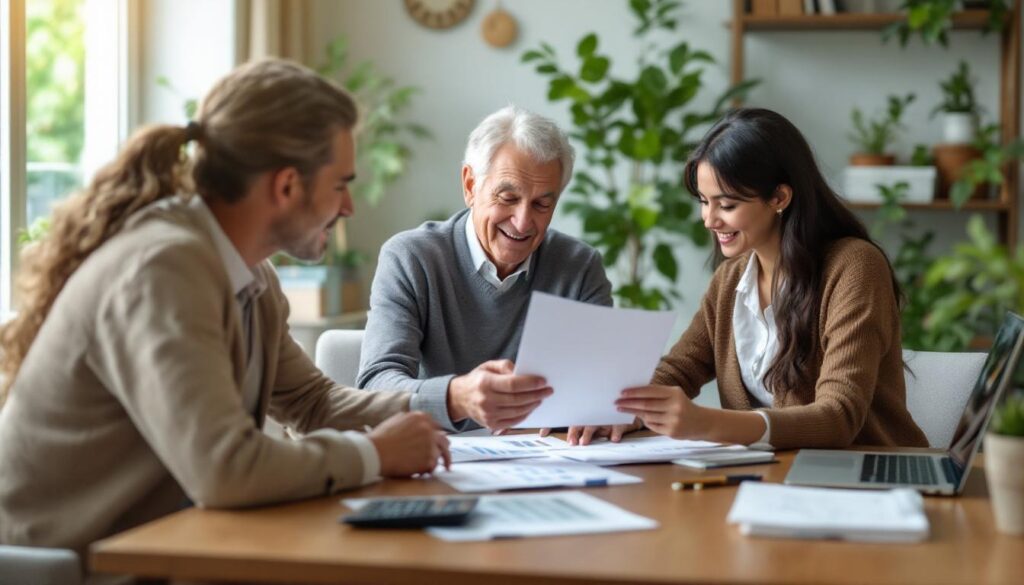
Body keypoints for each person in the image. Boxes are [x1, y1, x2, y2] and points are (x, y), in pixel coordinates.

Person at [0, 59, 450, 555]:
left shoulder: (250, 273)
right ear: (285, 186)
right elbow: (224, 470)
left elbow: (311, 403)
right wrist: (374, 453)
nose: (349, 208)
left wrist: (440, 406)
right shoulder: (163, 269)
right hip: (69, 565)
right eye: (341, 184)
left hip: (158, 546)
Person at [574, 108, 928, 449]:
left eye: (726, 205)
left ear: (779, 197)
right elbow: (680, 369)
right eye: (703, 201)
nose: (709, 220)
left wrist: (706, 423)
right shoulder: (730, 280)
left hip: (868, 479)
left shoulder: (854, 268)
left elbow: (839, 417)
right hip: (771, 478)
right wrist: (619, 410)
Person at [357, 105, 613, 432]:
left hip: (545, 462)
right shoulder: (411, 258)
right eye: (507, 198)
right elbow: (375, 386)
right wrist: (457, 396)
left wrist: (602, 409)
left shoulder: (579, 267)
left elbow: (604, 384)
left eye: (541, 205)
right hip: (436, 461)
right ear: (470, 185)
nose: (522, 222)